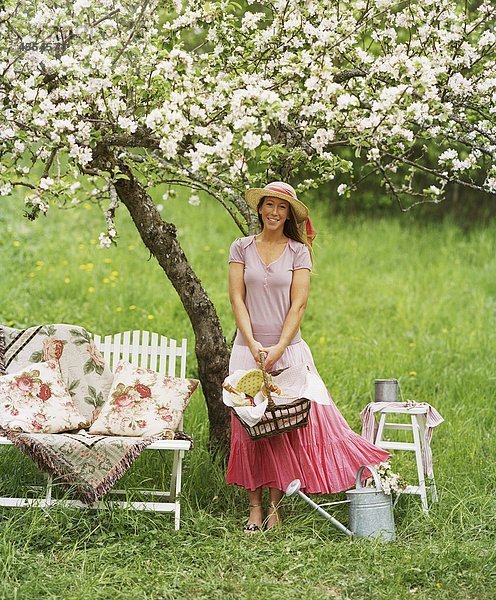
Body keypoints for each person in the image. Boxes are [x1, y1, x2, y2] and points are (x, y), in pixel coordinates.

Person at [227, 181, 390, 533]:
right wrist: (254, 344)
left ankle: (275, 506)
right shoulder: (241, 247)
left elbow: (299, 304)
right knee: (249, 428)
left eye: (281, 207)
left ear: (289, 214)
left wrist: (279, 348)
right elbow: (237, 299)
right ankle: (253, 508)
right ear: (260, 209)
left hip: (288, 352)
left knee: (282, 427)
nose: (273, 212)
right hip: (246, 351)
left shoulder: (298, 252)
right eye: (269, 205)